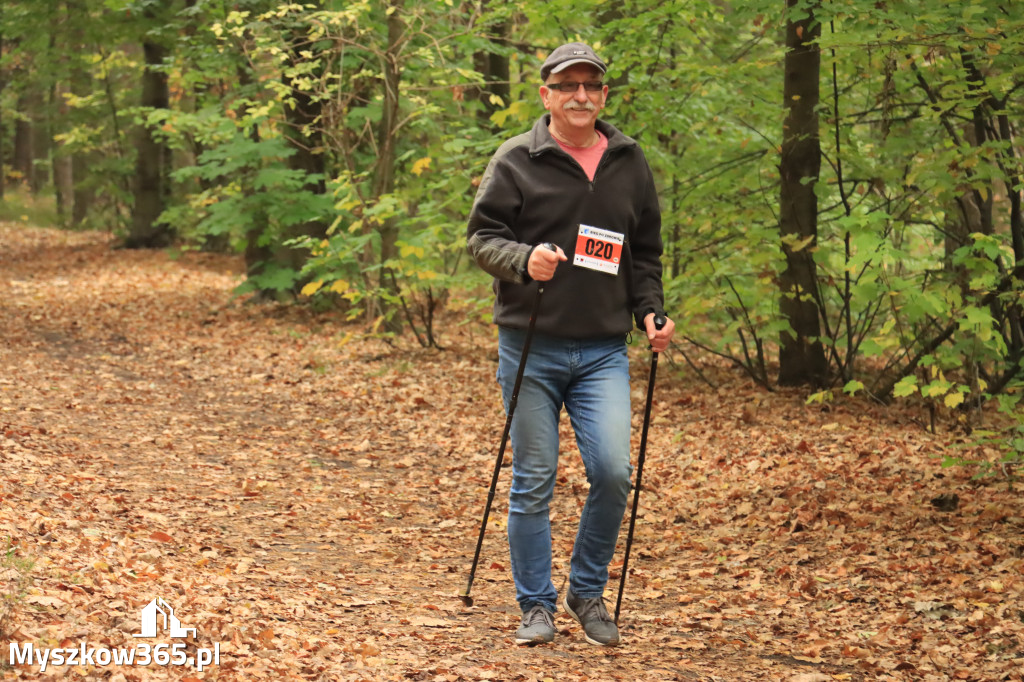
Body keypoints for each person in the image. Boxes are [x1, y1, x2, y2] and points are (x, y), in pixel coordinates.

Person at [466, 42, 675, 647]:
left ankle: (586, 591)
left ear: (603, 95)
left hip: (604, 349)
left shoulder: (630, 161)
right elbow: (482, 238)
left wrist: (651, 312)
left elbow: (644, 253)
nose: (581, 95)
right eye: (568, 85)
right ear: (546, 95)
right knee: (535, 477)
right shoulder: (516, 159)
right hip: (532, 346)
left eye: (592, 85)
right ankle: (536, 605)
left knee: (612, 472)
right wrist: (523, 258)